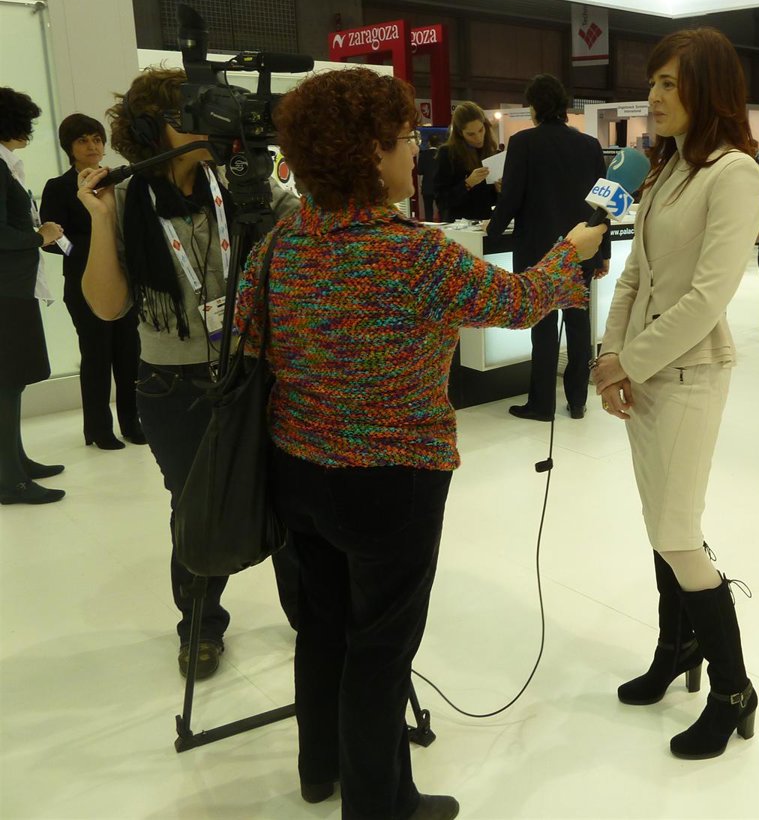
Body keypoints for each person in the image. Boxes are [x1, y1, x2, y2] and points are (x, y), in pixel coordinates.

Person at [233, 66, 603, 817]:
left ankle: (320, 769)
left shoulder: (280, 244)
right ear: (370, 153)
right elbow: (520, 302)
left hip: (296, 467)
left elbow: (250, 340)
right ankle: (383, 806)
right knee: (380, 645)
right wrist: (571, 251)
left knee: (322, 627)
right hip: (390, 478)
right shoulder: (412, 254)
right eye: (405, 139)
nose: (416, 153)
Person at [76, 67, 300, 681]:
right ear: (153, 128)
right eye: (191, 114)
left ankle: (308, 611)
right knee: (196, 509)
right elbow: (108, 307)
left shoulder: (241, 181)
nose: (211, 124)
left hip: (255, 367)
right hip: (173, 385)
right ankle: (200, 625)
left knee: (287, 493)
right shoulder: (125, 200)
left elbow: (303, 231)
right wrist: (98, 221)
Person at [592, 27, 759, 761]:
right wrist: (609, 356)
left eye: (669, 83)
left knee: (677, 534)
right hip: (645, 373)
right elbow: (635, 275)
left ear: (707, 90)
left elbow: (707, 296)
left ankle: (734, 691)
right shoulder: (665, 171)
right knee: (658, 526)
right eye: (653, 83)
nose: (654, 96)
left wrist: (627, 363)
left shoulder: (735, 174)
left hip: (692, 373)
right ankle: (676, 648)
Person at [488, 73, 608, 421]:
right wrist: (603, 253)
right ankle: (578, 400)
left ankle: (542, 404)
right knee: (579, 324)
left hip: (538, 249)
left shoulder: (523, 142)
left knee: (542, 327)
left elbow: (511, 197)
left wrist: (492, 231)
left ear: (534, 107)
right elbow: (602, 203)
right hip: (581, 247)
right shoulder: (589, 145)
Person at [39, 113, 143, 450]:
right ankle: (98, 429)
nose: (92, 146)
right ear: (69, 147)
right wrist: (92, 249)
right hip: (83, 282)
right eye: (83, 140)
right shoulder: (59, 187)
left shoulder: (119, 182)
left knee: (129, 353)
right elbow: (53, 241)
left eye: (97, 139)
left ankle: (132, 422)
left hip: (123, 280)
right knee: (97, 355)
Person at [0, 87, 66, 505]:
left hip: (14, 288)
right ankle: (10, 480)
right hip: (6, 291)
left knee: (14, 382)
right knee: (7, 384)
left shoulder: (7, 165)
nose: (29, 130)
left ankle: (16, 462)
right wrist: (39, 236)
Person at [434, 102, 498, 221]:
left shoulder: (491, 151)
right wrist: (468, 183)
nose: (478, 138)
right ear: (460, 133)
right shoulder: (447, 154)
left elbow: (491, 200)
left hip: (485, 224)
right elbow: (442, 201)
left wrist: (500, 190)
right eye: (471, 134)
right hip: (458, 225)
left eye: (481, 130)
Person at [416, 133, 441, 221]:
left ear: (429, 143)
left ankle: (429, 226)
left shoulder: (423, 154)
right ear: (439, 143)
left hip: (427, 186)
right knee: (442, 210)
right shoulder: (442, 154)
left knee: (428, 210)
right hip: (440, 186)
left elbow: (420, 171)